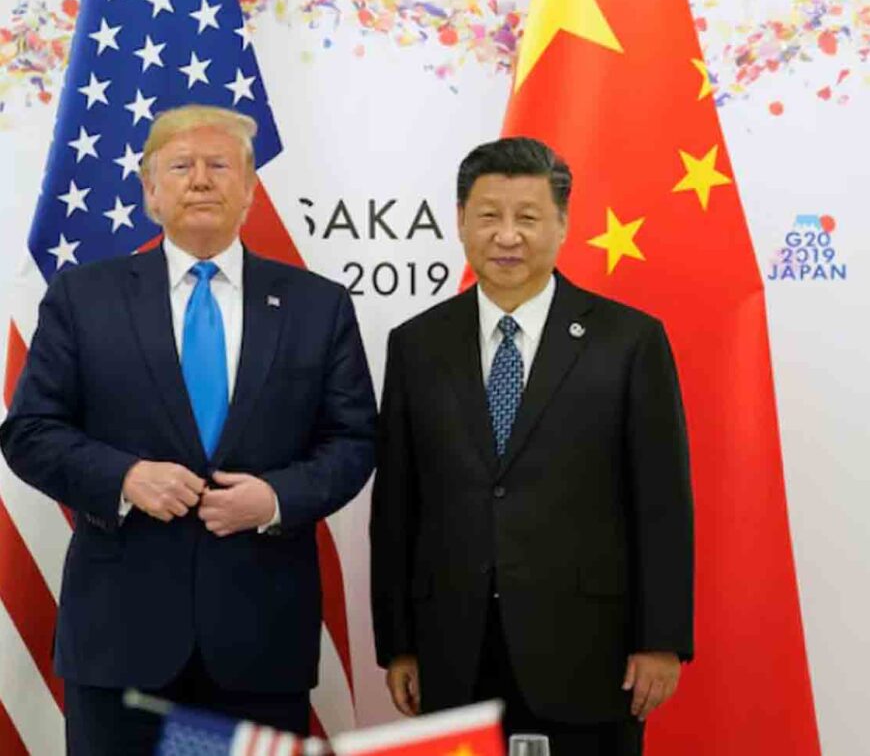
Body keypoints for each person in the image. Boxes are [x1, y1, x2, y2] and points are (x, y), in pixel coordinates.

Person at [0, 104, 377, 755]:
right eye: (181, 165)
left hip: (259, 643)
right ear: (150, 189)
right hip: (120, 643)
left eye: (219, 164)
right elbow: (30, 430)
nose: (200, 179)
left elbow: (354, 440)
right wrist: (123, 477)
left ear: (251, 189)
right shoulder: (82, 297)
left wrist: (278, 498)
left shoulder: (318, 305)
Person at [370, 137, 693, 755]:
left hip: (589, 652)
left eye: (528, 217)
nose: (507, 236)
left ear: (563, 224)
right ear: (461, 221)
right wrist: (400, 643)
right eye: (489, 216)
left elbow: (662, 503)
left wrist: (661, 640)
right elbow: (398, 507)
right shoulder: (416, 345)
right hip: (455, 650)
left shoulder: (629, 341)